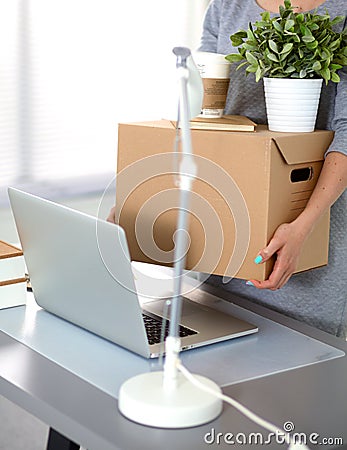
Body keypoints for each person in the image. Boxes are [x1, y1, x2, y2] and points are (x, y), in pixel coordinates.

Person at [198, 0, 347, 337]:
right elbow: (209, 117)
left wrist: (301, 227)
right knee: (214, 361)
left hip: (309, 239)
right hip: (229, 227)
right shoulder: (226, 6)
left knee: (296, 374)